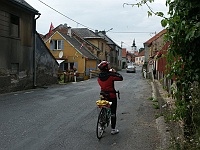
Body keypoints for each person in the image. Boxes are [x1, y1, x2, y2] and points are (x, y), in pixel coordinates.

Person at [97, 61, 123, 135]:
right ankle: (113, 129)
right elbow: (120, 78)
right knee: (113, 112)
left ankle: (101, 125)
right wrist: (114, 72)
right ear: (106, 68)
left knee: (103, 108)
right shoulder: (111, 75)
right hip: (111, 95)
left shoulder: (99, 76)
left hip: (103, 95)